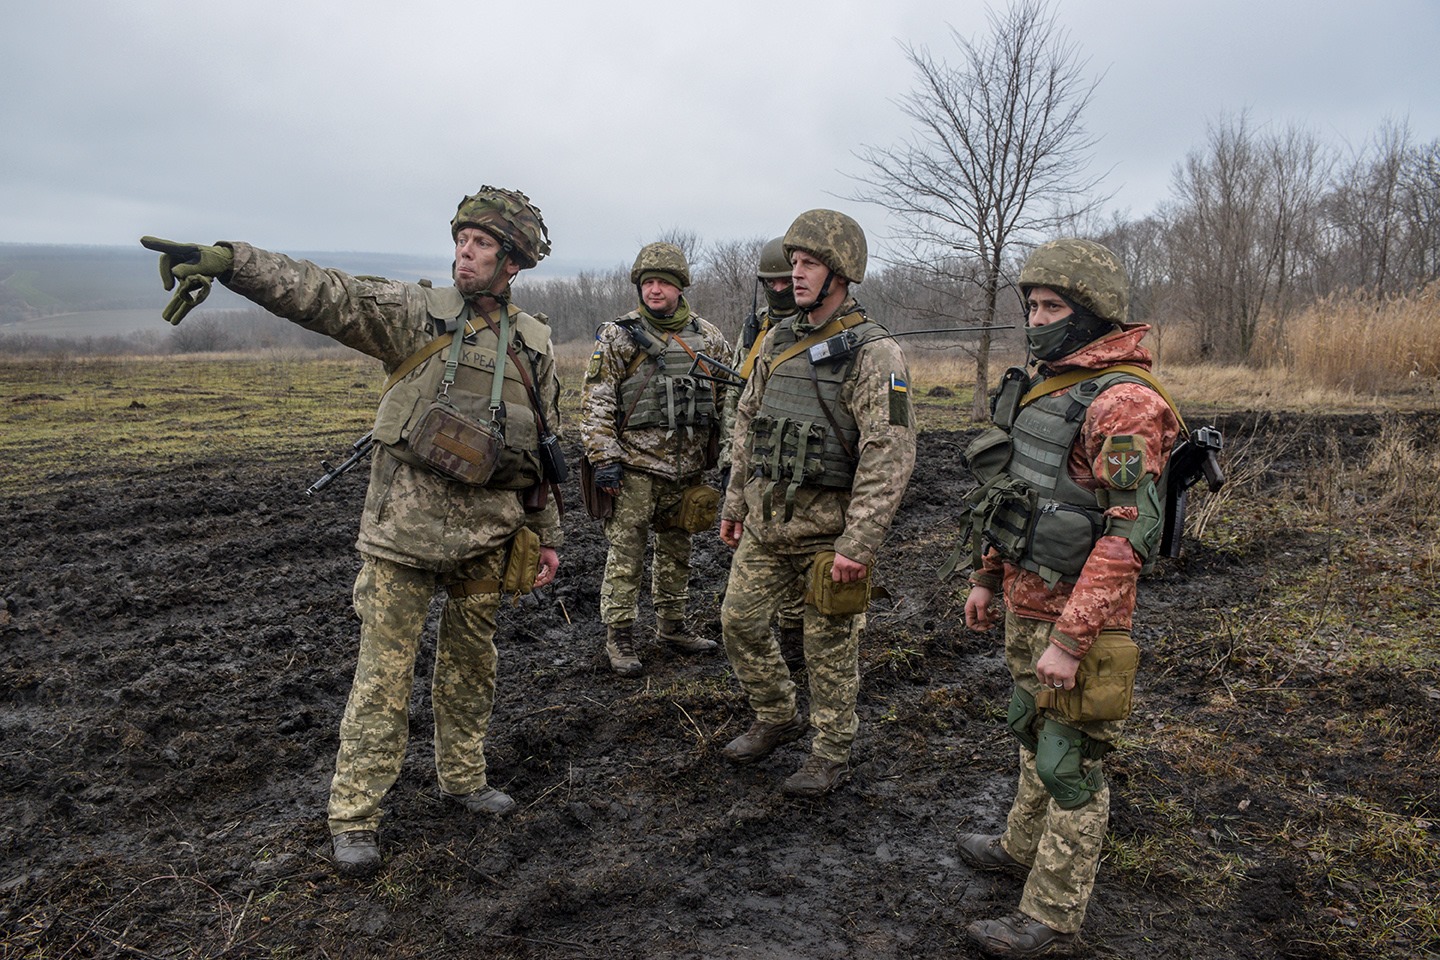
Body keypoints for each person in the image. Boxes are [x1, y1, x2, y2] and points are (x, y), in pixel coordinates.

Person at [140, 186, 563, 880]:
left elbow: (546, 444)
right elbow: (321, 292)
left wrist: (547, 535)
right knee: (382, 682)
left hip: (490, 538)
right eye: (462, 238)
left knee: (470, 672)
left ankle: (463, 781)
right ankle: (356, 817)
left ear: (512, 261)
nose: (465, 250)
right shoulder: (411, 314)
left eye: (483, 243)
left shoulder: (537, 344)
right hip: (402, 536)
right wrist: (232, 261)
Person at [958, 238, 1181, 956]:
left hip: (1079, 620)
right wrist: (987, 576)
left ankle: (1053, 917)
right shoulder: (1044, 386)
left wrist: (1070, 638)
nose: (1037, 317)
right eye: (1031, 304)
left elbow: (1125, 542)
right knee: (1029, 729)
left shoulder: (1125, 403)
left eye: (1053, 306)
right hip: (1026, 598)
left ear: (1090, 315)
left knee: (1069, 762)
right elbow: (1012, 496)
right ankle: (1021, 846)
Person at [718, 209, 916, 798]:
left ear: (841, 272)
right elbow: (748, 425)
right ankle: (777, 715)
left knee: (828, 649)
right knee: (739, 623)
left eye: (808, 265)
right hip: (767, 524)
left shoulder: (876, 355)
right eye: (794, 264)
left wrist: (859, 544)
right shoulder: (777, 339)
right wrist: (735, 504)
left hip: (828, 535)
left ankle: (830, 752)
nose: (795, 275)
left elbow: (890, 453)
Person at [580, 242, 731, 677]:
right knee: (625, 554)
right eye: (648, 283)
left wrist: (724, 457)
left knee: (677, 551)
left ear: (680, 288)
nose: (655, 290)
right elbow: (596, 402)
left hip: (687, 470)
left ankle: (672, 625)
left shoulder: (709, 338)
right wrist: (604, 456)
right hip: (634, 468)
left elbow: (726, 402)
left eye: (664, 282)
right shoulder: (618, 336)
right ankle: (620, 636)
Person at [719, 236, 806, 668]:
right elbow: (740, 396)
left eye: (783, 281)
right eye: (768, 283)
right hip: (756, 461)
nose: (777, 290)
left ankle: (793, 637)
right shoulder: (757, 327)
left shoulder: (823, 328)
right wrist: (727, 459)